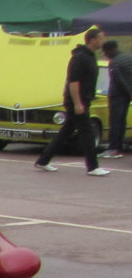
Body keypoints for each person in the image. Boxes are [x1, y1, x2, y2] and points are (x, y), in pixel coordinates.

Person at [35, 27, 107, 175]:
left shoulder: (90, 56)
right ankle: (93, 167)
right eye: (100, 38)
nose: (102, 41)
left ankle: (43, 160)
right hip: (77, 101)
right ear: (92, 40)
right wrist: (77, 103)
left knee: (66, 132)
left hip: (83, 100)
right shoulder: (80, 57)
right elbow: (73, 82)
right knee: (87, 133)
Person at [104, 39, 131, 158]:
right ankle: (119, 146)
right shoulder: (129, 58)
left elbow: (119, 81)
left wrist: (128, 92)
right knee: (122, 121)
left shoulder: (114, 63)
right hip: (126, 96)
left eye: (105, 52)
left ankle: (113, 148)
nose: (105, 55)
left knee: (115, 121)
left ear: (110, 50)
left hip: (117, 96)